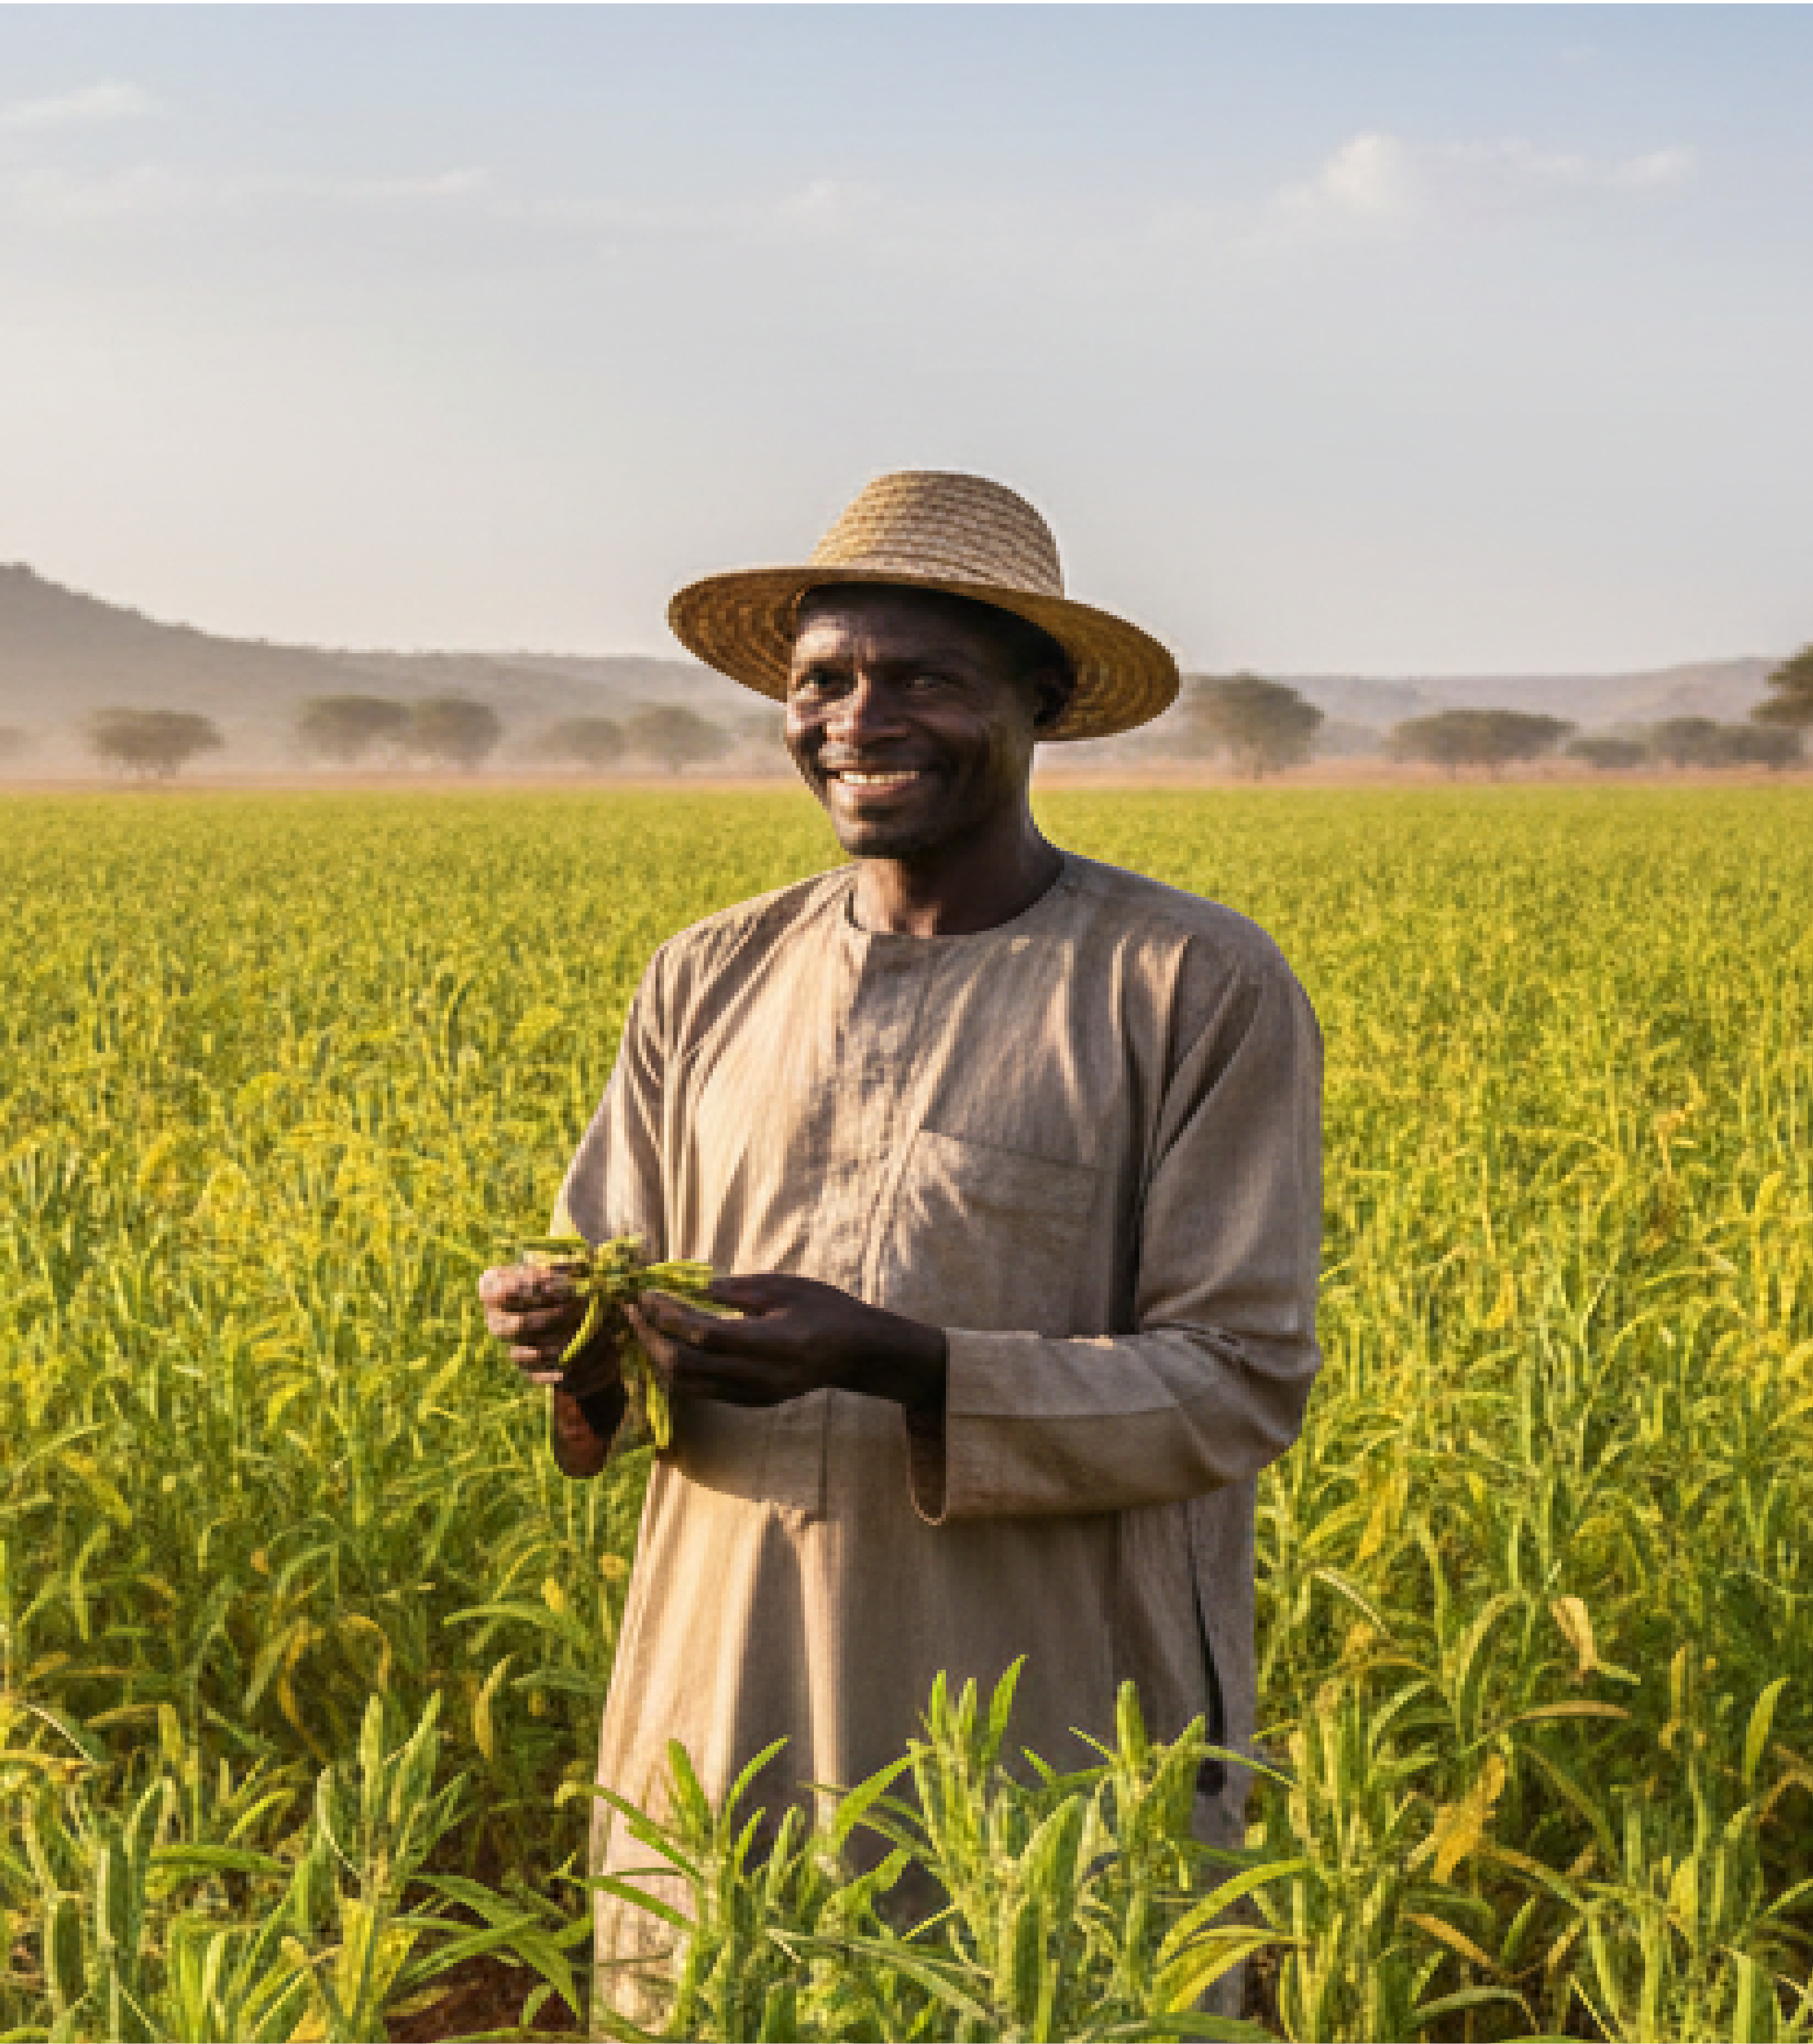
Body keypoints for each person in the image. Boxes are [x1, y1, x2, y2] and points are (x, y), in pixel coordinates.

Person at [474, 471, 1322, 2021]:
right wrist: (574, 1342)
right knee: (731, 1979)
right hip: (730, 1672)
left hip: (1050, 1690)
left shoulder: (1188, 981)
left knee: (1032, 1980)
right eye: (825, 681)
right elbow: (614, 1320)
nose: (860, 720)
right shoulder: (707, 975)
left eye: (923, 678)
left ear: (1038, 701)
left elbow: (1237, 1380)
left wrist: (904, 1361)